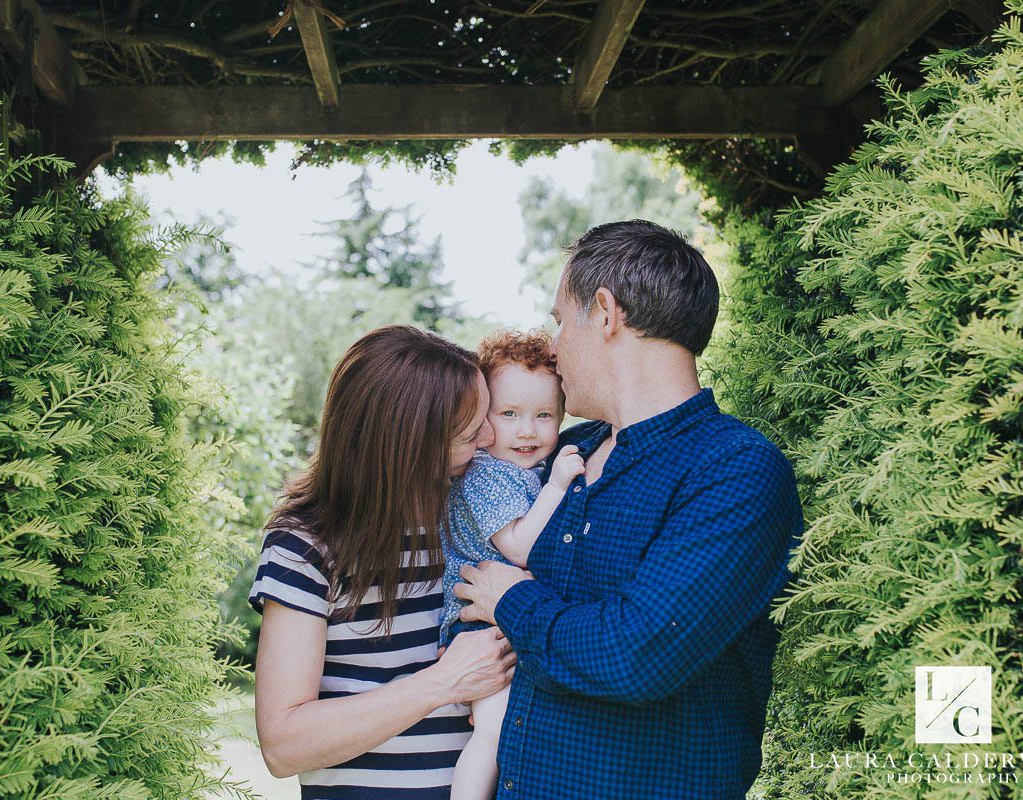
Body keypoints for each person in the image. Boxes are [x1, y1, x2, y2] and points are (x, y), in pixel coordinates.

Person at [453, 220, 805, 799]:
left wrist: (508, 599)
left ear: (606, 313)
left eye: (560, 321)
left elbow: (635, 653)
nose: (555, 345)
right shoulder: (571, 450)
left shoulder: (735, 470)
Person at [249, 324, 516, 800]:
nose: (492, 436)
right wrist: (442, 682)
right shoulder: (305, 547)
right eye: (471, 431)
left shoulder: (476, 527)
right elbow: (283, 745)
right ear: (409, 445)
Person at [437, 329, 584, 800]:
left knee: (512, 733)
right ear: (483, 421)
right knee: (494, 732)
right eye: (509, 414)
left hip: (507, 621)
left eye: (544, 416)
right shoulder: (485, 475)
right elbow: (519, 547)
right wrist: (560, 483)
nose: (527, 431)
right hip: (476, 629)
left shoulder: (522, 472)